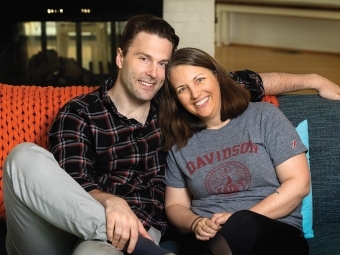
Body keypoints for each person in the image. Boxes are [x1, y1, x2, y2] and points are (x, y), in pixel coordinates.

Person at [2, 14, 338, 255]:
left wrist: (315, 79)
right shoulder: (80, 113)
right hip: (52, 233)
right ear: (120, 57)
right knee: (22, 156)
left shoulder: (174, 101)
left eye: (162, 63)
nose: (152, 72)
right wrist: (110, 203)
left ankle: (139, 245)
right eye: (143, 58)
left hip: (122, 242)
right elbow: (72, 180)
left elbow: (244, 82)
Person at [158, 47, 311, 255]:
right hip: (210, 238)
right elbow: (175, 205)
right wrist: (195, 223)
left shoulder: (264, 117)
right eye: (182, 89)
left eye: (199, 79)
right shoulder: (180, 142)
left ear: (217, 76)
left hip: (274, 232)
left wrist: (237, 219)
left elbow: (299, 184)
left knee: (243, 221)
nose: (195, 94)